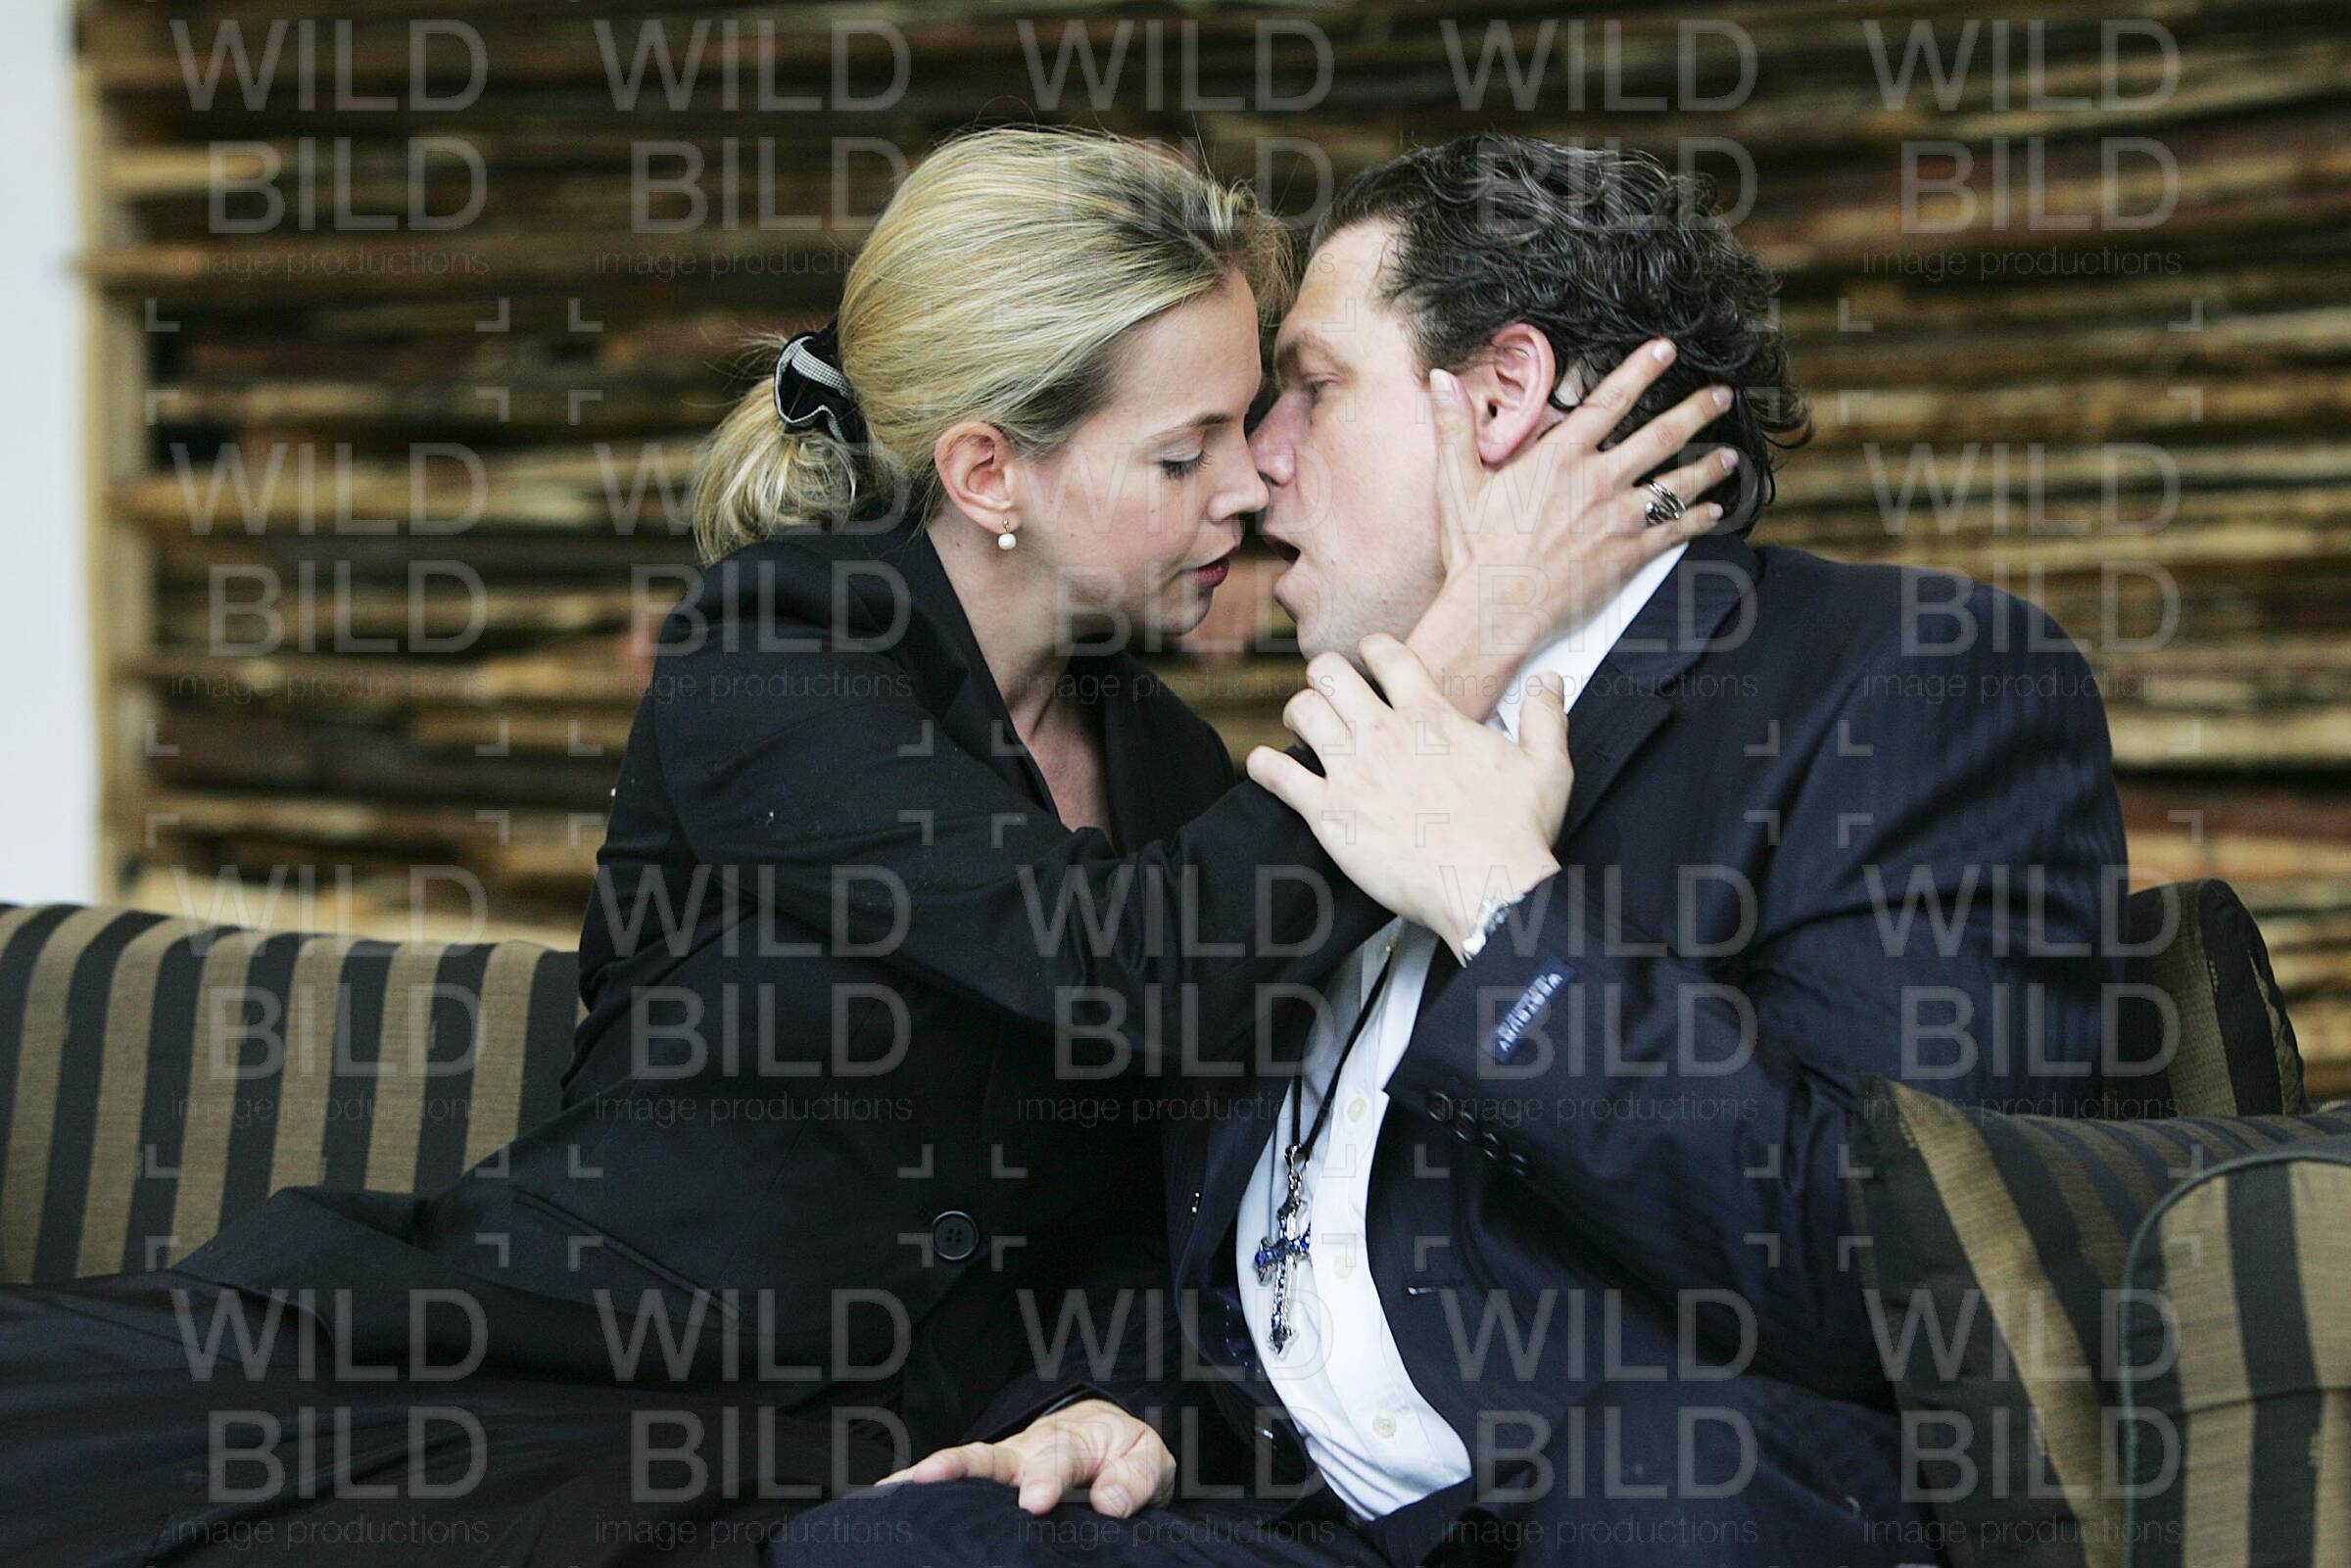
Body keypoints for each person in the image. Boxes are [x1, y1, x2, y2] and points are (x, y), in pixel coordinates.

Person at [0, 129, 1726, 1567]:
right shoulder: (780, 651)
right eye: (1185, 449)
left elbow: (1173, 1187)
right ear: (989, 471)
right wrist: (1479, 625)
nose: (1250, 488)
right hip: (544, 1369)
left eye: (1252, 426)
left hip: (868, 1457)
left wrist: (1109, 1398)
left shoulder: (1165, 763)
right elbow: (1114, 970)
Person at [792, 135, 2130, 1566]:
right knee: (895, 1545)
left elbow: (1908, 1283)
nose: (1254, 466)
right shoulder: (1323, 764)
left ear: (1496, 396)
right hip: (1323, 1531)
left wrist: (1507, 909)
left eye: (1309, 389)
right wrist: (1135, 1409)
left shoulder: (1899, 682)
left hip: (1651, 1522)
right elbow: (1273, 1257)